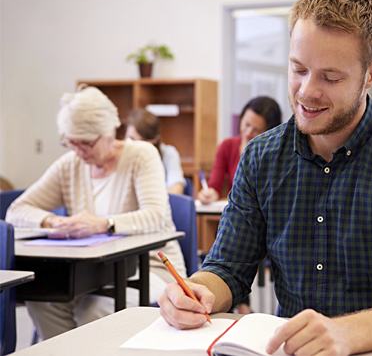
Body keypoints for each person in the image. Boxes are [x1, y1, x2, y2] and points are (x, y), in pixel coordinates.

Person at [158, 0, 372, 354]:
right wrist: (197, 291)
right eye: (298, 69)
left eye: (330, 78)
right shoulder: (261, 156)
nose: (307, 92)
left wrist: (347, 333)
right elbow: (228, 268)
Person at [6, 85, 186, 340]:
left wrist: (105, 223)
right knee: (43, 299)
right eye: (71, 143)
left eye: (86, 143)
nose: (79, 151)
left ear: (109, 132)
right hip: (87, 274)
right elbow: (17, 210)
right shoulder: (71, 163)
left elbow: (156, 215)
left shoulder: (141, 155)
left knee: (96, 309)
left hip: (150, 269)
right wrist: (51, 220)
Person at [197, 96, 282, 204]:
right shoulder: (227, 146)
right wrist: (209, 194)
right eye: (246, 124)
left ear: (269, 132)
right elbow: (215, 185)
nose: (248, 133)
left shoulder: (275, 153)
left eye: (256, 130)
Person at [125, 108, 185, 194]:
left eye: (141, 142)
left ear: (155, 140)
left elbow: (176, 190)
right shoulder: (120, 155)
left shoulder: (168, 153)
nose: (134, 146)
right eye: (131, 139)